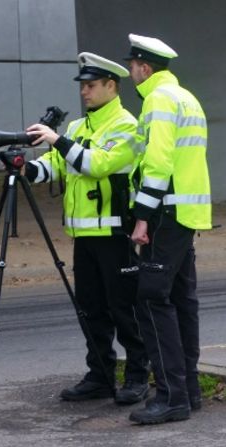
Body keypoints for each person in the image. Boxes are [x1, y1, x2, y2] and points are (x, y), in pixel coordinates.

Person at [24, 52, 149, 405]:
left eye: (91, 86)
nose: (85, 92)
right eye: (82, 86)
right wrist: (26, 169)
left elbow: (97, 165)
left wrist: (56, 140)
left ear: (112, 85)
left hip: (114, 234)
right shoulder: (78, 128)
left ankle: (138, 375)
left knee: (124, 308)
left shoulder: (127, 125)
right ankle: (100, 375)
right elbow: (55, 167)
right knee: (90, 309)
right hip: (83, 238)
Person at [123, 34, 212, 424]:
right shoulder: (186, 97)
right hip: (185, 215)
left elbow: (157, 161)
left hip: (164, 214)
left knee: (151, 299)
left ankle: (170, 397)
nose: (130, 72)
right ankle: (188, 390)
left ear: (144, 67)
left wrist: (142, 215)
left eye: (131, 66)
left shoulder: (158, 100)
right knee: (181, 300)